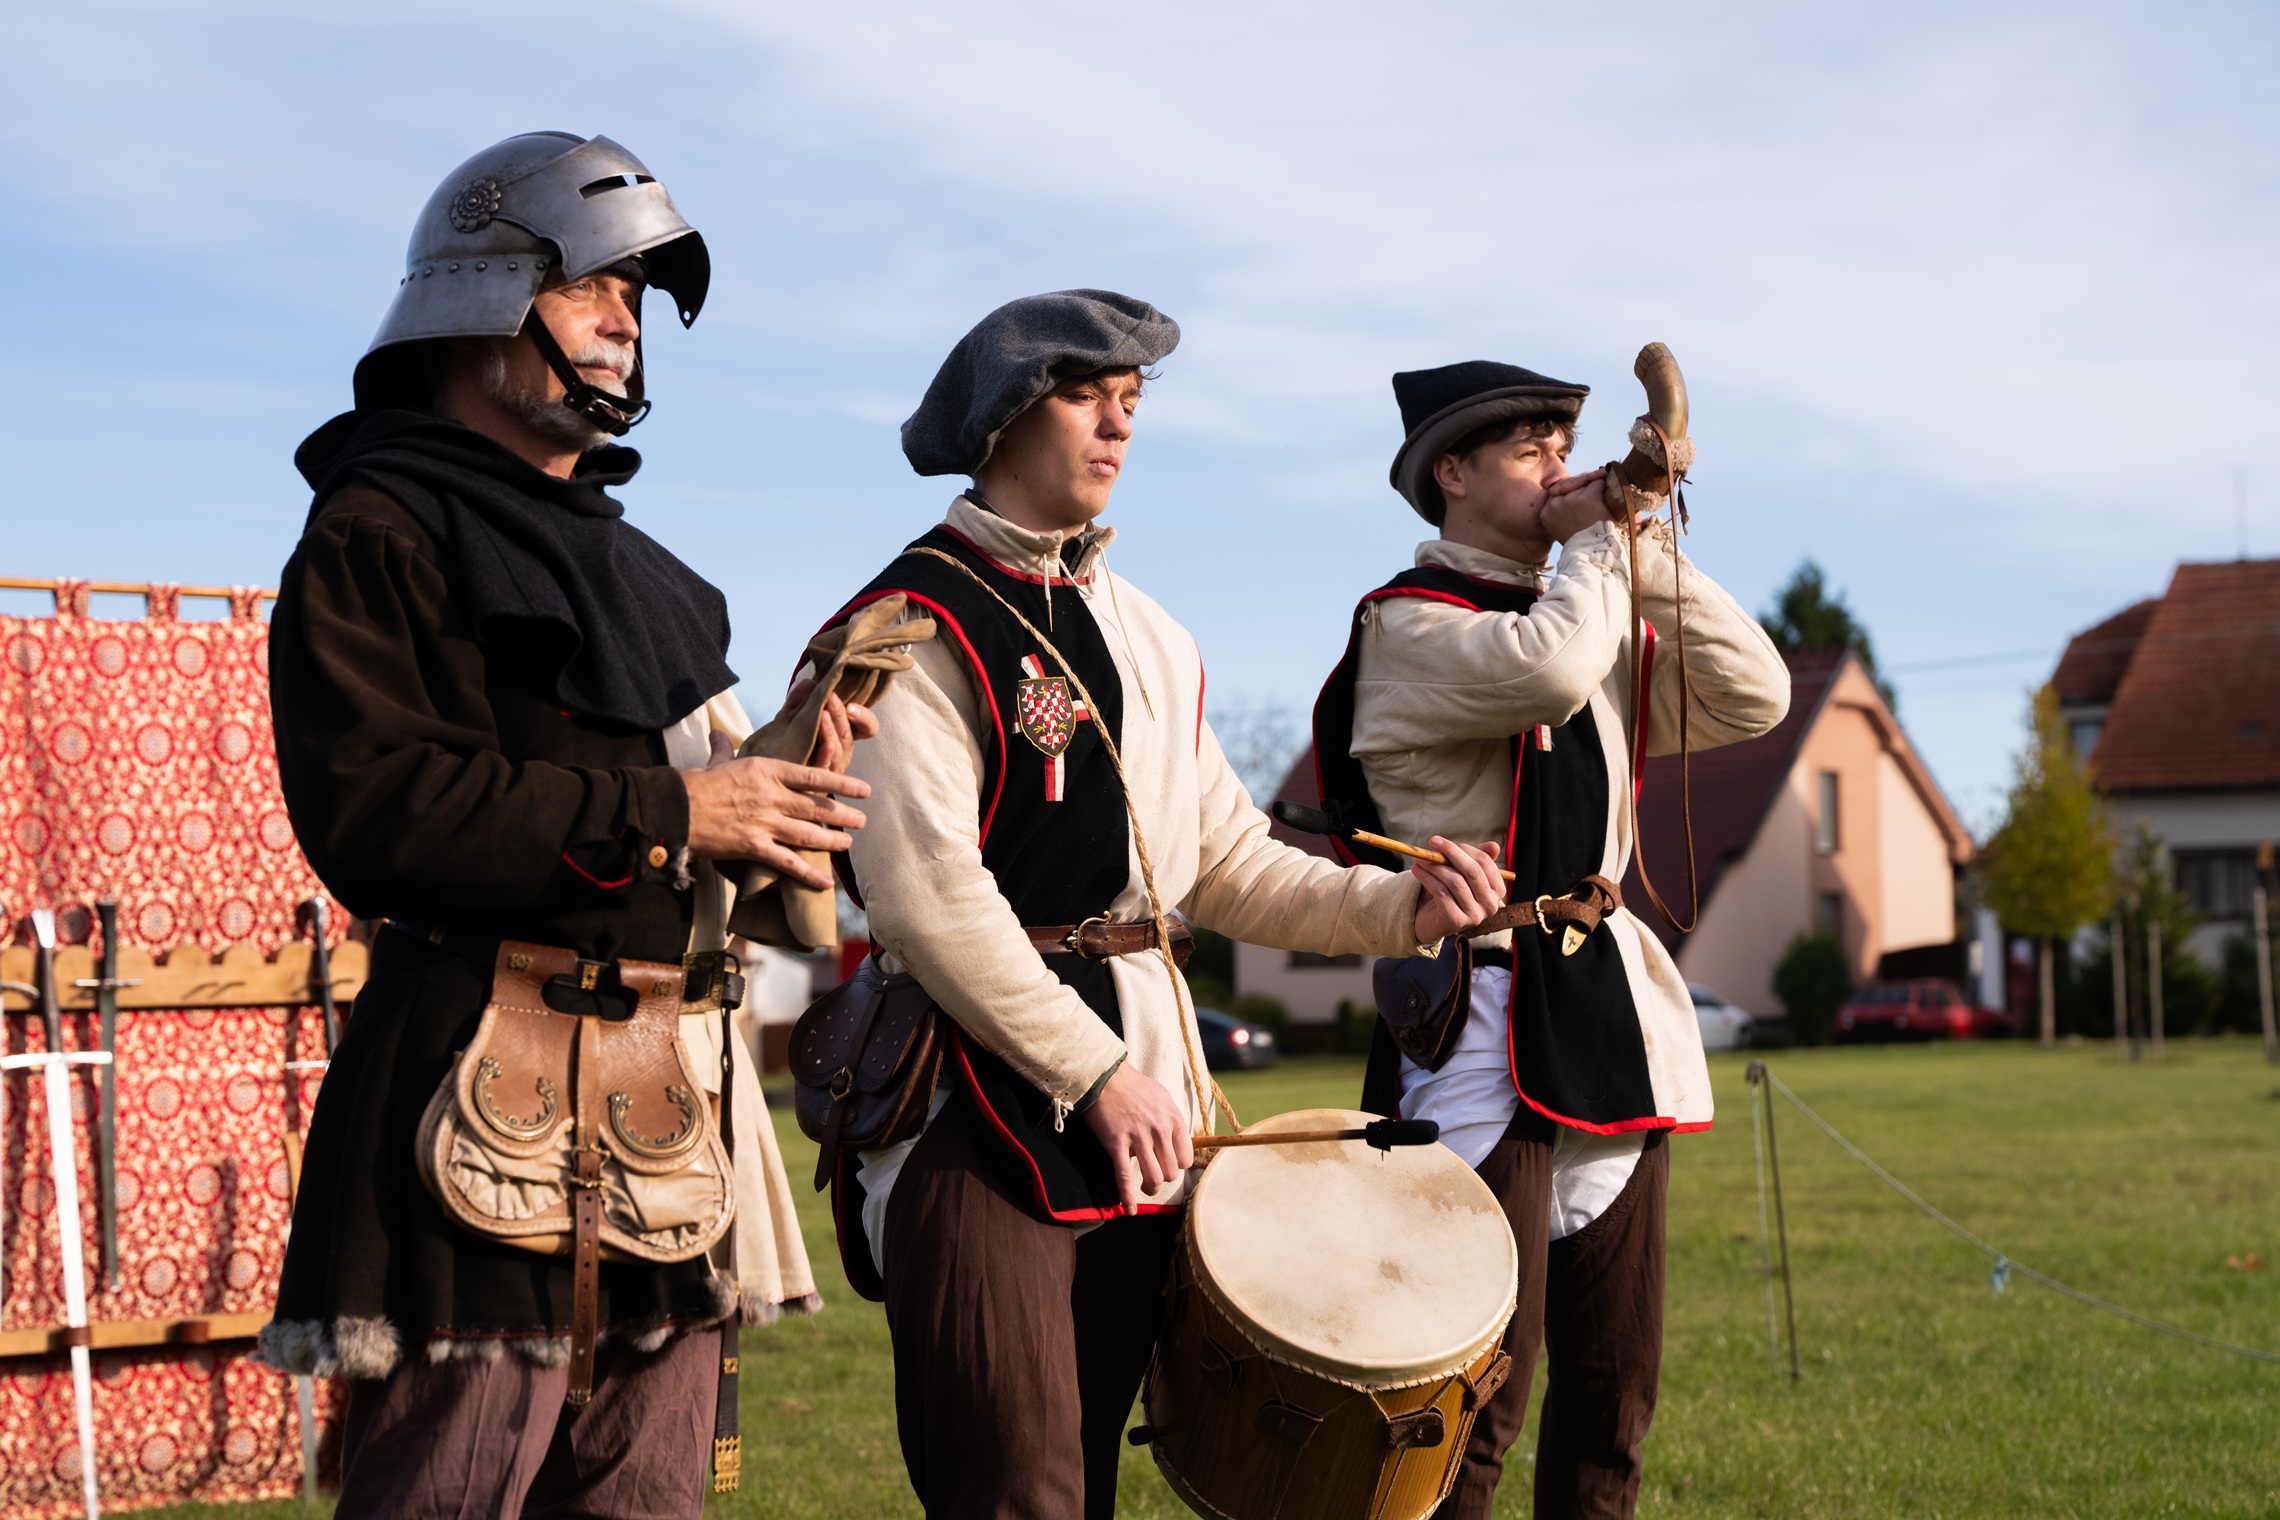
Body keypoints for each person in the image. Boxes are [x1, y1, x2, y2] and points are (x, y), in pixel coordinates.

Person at [816, 290, 1508, 1519]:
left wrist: (1399, 906)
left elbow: (1224, 860)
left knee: (1087, 1474)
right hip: (974, 1104)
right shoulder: (912, 622)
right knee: (1017, 1488)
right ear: (1004, 418)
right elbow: (927, 897)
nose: (1119, 423)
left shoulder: (1153, 635)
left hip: (1146, 1104)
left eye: (1132, 400)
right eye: (1087, 395)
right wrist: (1092, 1070)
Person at [259, 131, 864, 1518]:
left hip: (664, 1094)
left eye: (635, 295)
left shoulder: (641, 571)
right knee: (450, 1488)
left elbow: (677, 823)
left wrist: (773, 784)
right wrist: (677, 808)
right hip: (477, 1083)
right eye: (592, 284)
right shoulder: (378, 532)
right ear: (480, 299)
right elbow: (376, 808)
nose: (623, 319)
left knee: (645, 1496)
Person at [1312, 360, 1791, 1519]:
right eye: (1530, 449)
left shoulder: (1585, 595)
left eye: (1566, 448)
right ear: (1452, 471)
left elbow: (1758, 692)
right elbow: (1554, 669)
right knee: (1473, 1399)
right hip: (1476, 1013)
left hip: (1607, 1015)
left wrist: (1636, 536)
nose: (1558, 468)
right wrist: (1595, 543)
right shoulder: (1409, 622)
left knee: (1613, 1395)